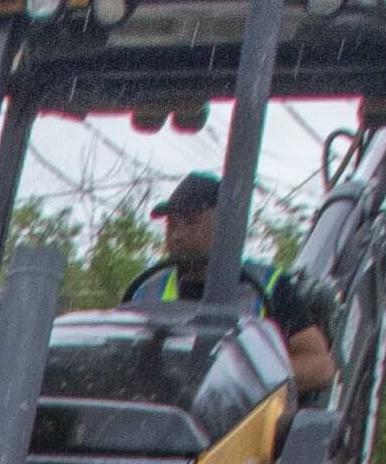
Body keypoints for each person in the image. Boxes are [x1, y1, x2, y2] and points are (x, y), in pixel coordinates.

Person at [124, 169, 338, 401]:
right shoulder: (145, 292)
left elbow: (319, 367)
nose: (177, 236)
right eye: (171, 225)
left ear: (224, 223)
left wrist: (245, 381)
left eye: (189, 222)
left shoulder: (269, 287)